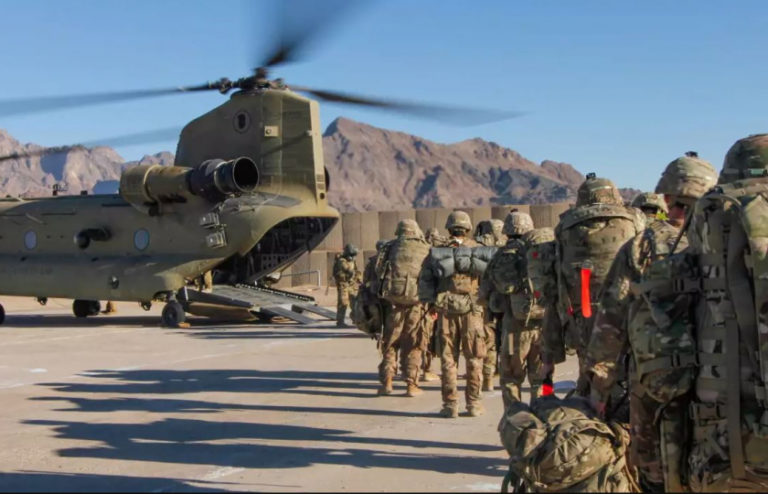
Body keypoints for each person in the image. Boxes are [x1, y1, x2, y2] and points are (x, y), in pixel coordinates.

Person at [585, 153, 717, 492]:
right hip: (722, 387)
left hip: (656, 386)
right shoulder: (731, 242)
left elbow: (610, 323)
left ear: (667, 198)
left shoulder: (642, 246)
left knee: (655, 472)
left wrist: (599, 390)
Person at [541, 174, 645, 397]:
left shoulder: (565, 227)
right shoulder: (634, 218)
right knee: (630, 374)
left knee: (590, 374)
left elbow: (556, 281)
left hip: (583, 315)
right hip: (626, 308)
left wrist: (550, 352)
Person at [419, 210, 495, 417]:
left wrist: (430, 305)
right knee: (474, 358)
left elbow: (425, 280)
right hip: (473, 310)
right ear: (468, 228)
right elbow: (490, 279)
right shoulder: (479, 250)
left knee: (448, 359)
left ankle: (450, 405)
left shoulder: (438, 252)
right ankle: (474, 404)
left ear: (449, 228)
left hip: (446, 310)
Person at [480, 210, 546, 408]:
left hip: (512, 328)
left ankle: (514, 417)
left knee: (510, 377)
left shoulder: (501, 255)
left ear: (507, 230)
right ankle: (542, 413)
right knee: (541, 377)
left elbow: (485, 294)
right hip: (543, 326)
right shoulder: (542, 253)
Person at [376, 220, 432, 396]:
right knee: (413, 345)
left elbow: (377, 272)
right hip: (417, 306)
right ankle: (411, 385)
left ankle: (387, 383)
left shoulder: (390, 248)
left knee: (390, 344)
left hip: (393, 305)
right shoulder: (426, 248)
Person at [475, 218, 507, 391]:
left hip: (487, 300)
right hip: (506, 300)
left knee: (489, 340)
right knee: (506, 338)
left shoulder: (479, 247)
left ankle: (488, 378)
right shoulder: (509, 246)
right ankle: (504, 371)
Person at [332, 243, 361, 327]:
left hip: (351, 284)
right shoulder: (341, 261)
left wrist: (359, 279)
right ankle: (340, 321)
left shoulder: (352, 261)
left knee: (354, 302)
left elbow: (356, 271)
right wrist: (351, 262)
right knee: (343, 303)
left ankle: (356, 319)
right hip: (343, 284)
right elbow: (348, 270)